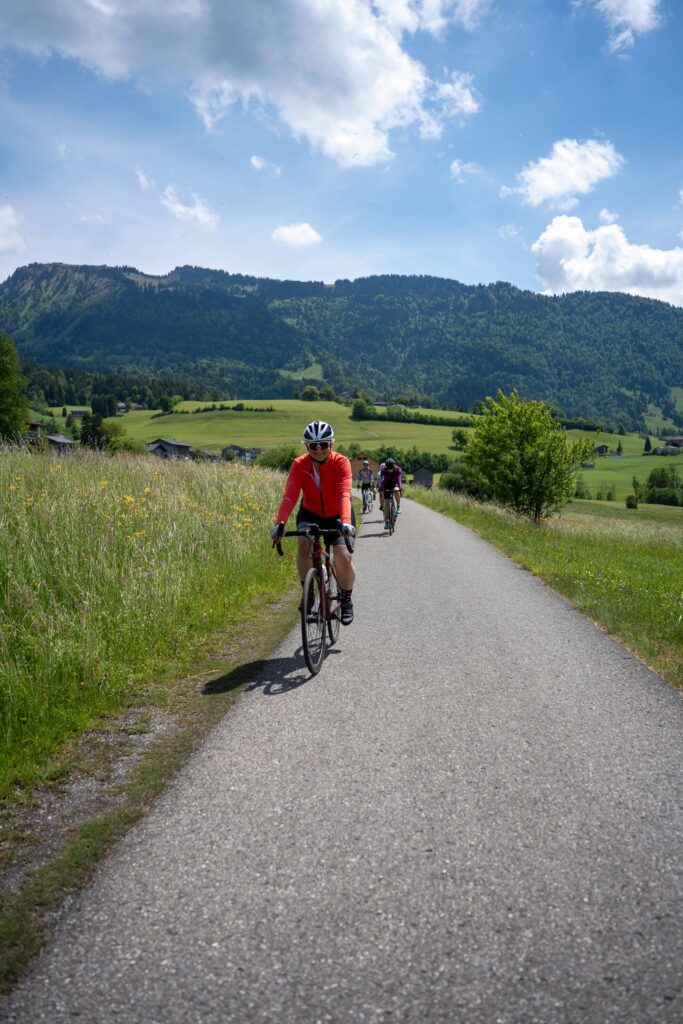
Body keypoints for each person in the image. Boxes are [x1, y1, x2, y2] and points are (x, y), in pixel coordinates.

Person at [270, 420, 356, 625]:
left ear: (332, 444)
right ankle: (308, 594)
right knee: (304, 542)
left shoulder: (341, 463)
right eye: (313, 445)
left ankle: (346, 600)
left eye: (323, 445)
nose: (318, 450)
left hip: (337, 515)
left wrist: (345, 522)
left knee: (343, 557)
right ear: (307, 446)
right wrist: (280, 523)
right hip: (310, 512)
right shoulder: (300, 464)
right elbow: (290, 496)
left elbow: (345, 494)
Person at [379, 457, 403, 529]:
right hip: (386, 484)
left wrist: (400, 488)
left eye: (391, 468)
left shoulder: (398, 470)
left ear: (394, 466)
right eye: (388, 468)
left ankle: (398, 507)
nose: (390, 470)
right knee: (386, 504)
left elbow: (399, 479)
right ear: (386, 467)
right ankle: (386, 522)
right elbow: (383, 479)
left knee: (396, 490)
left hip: (394, 483)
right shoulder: (383, 470)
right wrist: (381, 487)